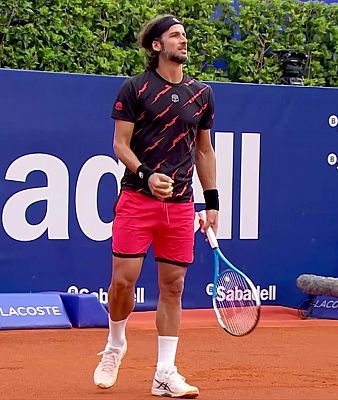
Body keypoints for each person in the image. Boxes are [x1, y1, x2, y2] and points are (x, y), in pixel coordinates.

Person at [93, 15, 219, 398]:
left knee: (173, 285)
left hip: (180, 206)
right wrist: (146, 174)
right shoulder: (135, 88)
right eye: (175, 35)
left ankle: (165, 372)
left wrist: (210, 201)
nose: (183, 40)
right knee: (123, 280)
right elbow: (120, 145)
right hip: (137, 199)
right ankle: (115, 344)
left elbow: (203, 150)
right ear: (156, 45)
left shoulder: (203, 94)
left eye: (184, 35)